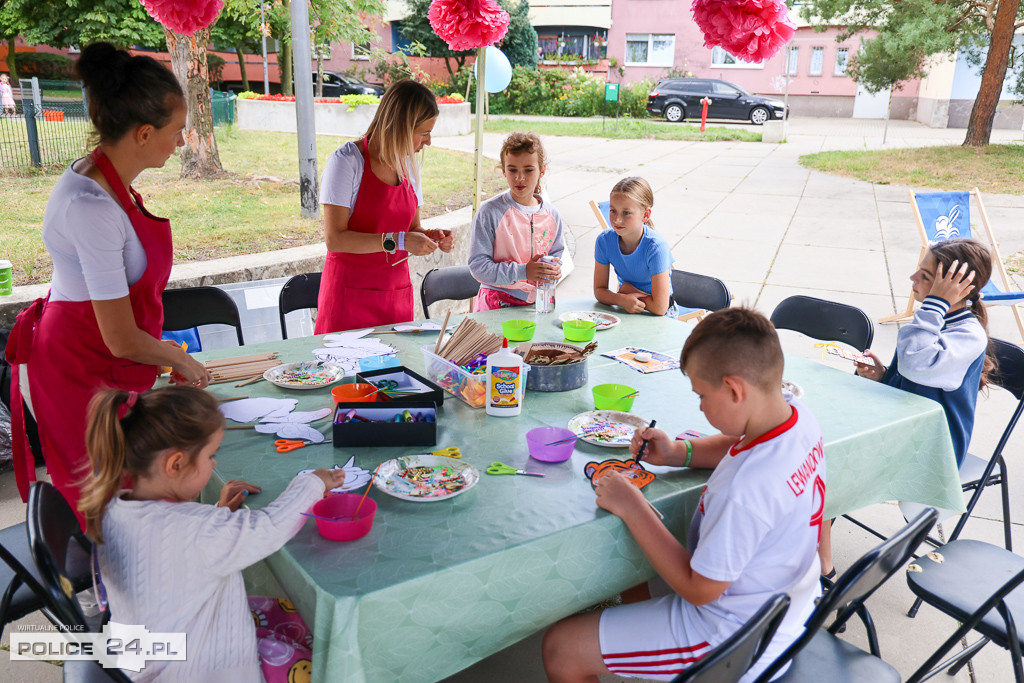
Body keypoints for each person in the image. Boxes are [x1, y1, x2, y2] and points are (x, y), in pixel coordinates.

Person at [542, 308, 826, 682]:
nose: (700, 407)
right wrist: (679, 452)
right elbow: (741, 443)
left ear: (734, 389)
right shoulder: (799, 417)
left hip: (735, 641)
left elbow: (700, 590)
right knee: (632, 570)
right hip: (788, 605)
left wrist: (633, 506)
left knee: (561, 647)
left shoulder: (746, 490)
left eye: (702, 396)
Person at [4, 43, 210, 523]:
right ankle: (111, 594)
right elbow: (119, 337)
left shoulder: (105, 182)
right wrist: (177, 357)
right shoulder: (91, 206)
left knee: (131, 497)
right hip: (80, 369)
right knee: (109, 510)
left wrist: (161, 356)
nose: (181, 143)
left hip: (106, 361)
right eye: (176, 132)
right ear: (143, 133)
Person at [80, 386, 348, 682]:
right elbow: (269, 527)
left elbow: (180, 548)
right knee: (331, 657)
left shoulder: (114, 509)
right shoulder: (199, 531)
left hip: (144, 663)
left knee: (284, 612)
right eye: (211, 455)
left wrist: (218, 512)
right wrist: (312, 483)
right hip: (203, 671)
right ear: (176, 464)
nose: (215, 464)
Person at [814, 237, 996, 581]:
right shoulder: (934, 318)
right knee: (819, 444)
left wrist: (935, 303)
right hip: (902, 428)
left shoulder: (966, 333)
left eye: (925, 276)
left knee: (826, 463)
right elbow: (913, 379)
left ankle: (822, 570)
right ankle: (804, 542)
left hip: (931, 449)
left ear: (955, 287)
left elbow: (916, 360)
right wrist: (885, 377)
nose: (913, 279)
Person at [316, 80, 454, 333]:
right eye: (424, 133)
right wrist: (400, 241)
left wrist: (430, 236)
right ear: (401, 127)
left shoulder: (409, 165)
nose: (429, 142)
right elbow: (335, 239)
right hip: (349, 299)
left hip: (395, 295)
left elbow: (412, 228)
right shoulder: (347, 162)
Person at [468, 131, 565, 310]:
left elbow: (556, 256)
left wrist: (554, 270)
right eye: (512, 170)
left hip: (537, 305)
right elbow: (478, 266)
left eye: (528, 170)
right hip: (494, 306)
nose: (519, 178)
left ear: (542, 170)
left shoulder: (552, 215)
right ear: (504, 170)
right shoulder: (489, 212)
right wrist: (523, 271)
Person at [593, 176, 676, 316]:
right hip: (626, 306)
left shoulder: (656, 247)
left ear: (646, 215)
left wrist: (627, 289)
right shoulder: (604, 241)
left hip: (659, 314)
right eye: (613, 210)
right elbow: (599, 290)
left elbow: (660, 308)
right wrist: (622, 298)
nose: (617, 219)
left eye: (626, 213)